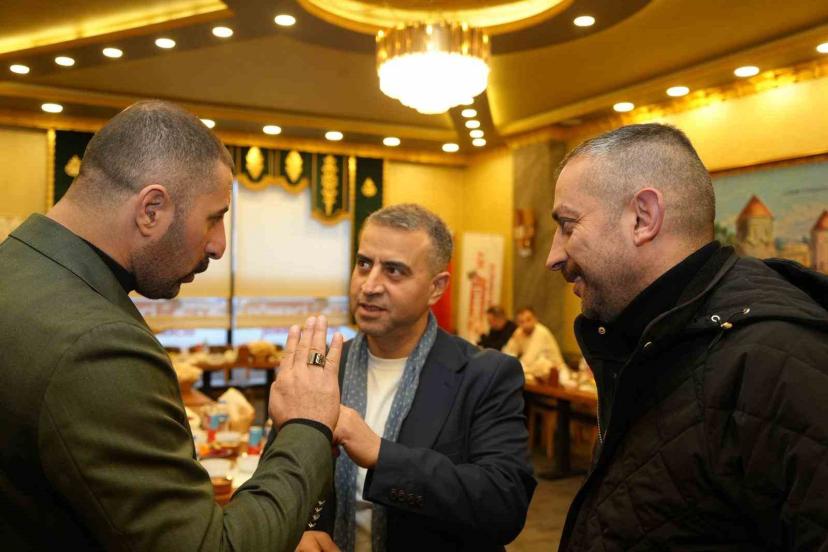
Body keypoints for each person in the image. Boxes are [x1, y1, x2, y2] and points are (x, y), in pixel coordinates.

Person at [0, 100, 343, 550]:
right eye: (214, 218)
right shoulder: (98, 345)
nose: (219, 246)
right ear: (151, 209)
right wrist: (306, 426)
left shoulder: (17, 265)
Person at [545, 123, 828, 550]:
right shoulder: (646, 337)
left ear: (643, 218)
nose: (553, 256)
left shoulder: (777, 359)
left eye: (568, 225)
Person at [295, 204, 535, 551]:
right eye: (364, 264)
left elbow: (504, 504)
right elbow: (283, 476)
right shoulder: (323, 368)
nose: (369, 286)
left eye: (394, 271)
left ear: (436, 288)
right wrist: (301, 528)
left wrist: (381, 455)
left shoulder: (484, 375)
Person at [502, 306, 566, 382]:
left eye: (528, 320)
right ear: (517, 323)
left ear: (535, 319)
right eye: (521, 322)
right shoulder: (519, 332)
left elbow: (529, 358)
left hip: (555, 372)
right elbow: (509, 352)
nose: (525, 324)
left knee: (541, 363)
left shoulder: (541, 332)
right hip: (533, 370)